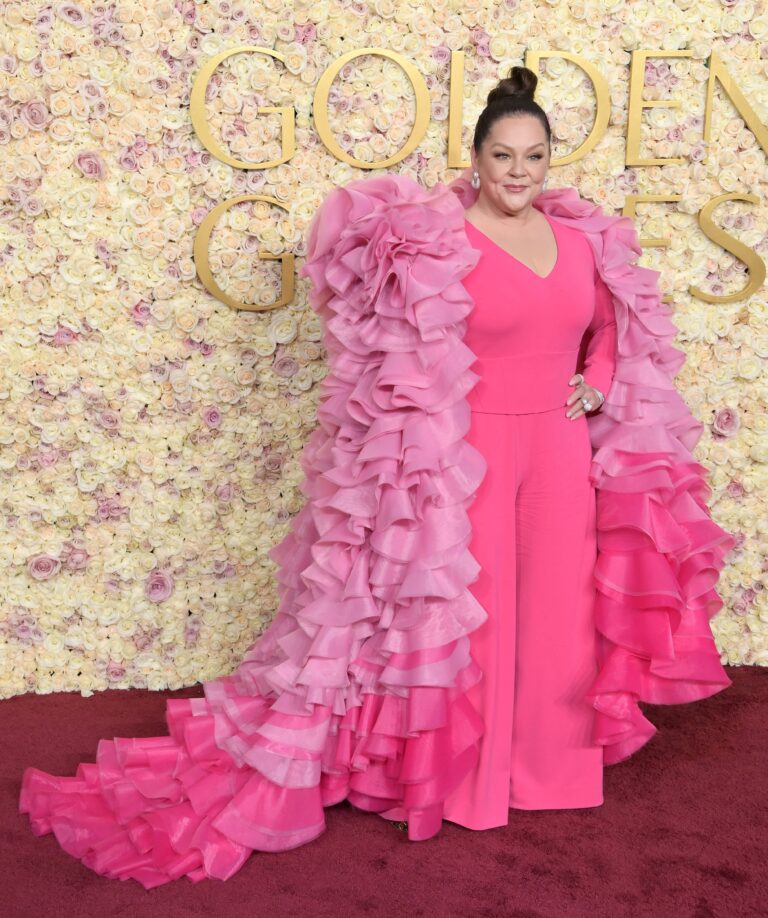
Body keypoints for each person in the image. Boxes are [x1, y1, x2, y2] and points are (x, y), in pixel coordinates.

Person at [18, 66, 734, 889]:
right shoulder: (437, 240)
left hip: (561, 448)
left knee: (558, 611)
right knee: (472, 617)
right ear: (475, 159)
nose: (518, 171)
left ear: (550, 160)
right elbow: (378, 337)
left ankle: (551, 769)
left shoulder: (581, 243)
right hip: (467, 452)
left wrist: (598, 382)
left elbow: (610, 329)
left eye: (534, 156)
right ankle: (464, 780)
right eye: (502, 155)